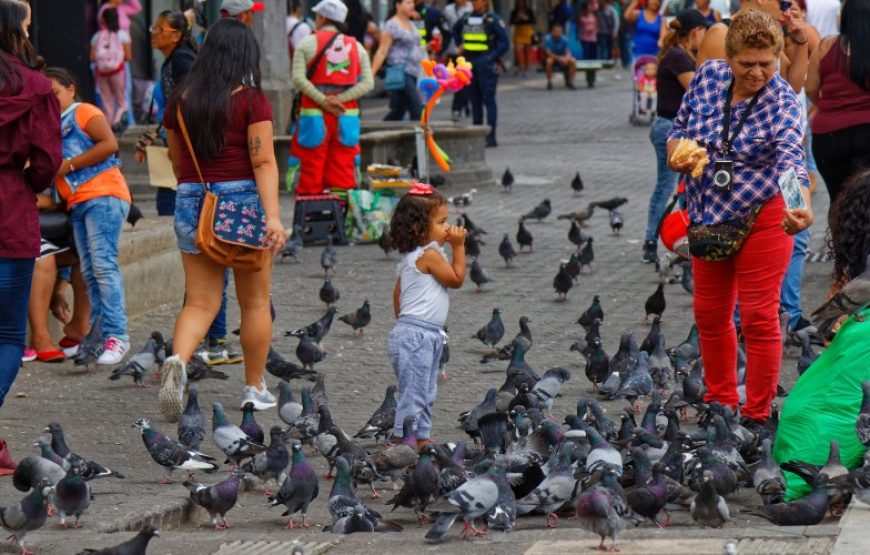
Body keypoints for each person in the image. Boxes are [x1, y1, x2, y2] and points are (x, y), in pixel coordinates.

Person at [667, 10, 813, 429]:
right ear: (729, 58)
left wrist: (798, 205)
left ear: (779, 57)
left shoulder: (783, 101)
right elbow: (678, 131)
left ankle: (757, 412)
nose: (756, 72)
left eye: (766, 63)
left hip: (764, 211)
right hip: (708, 211)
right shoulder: (709, 77)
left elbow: (790, 161)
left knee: (758, 314)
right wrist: (679, 153)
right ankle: (721, 401)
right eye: (746, 63)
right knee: (710, 313)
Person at [161, 18, 286, 421]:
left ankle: (178, 361)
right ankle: (254, 387)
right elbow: (263, 161)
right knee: (254, 302)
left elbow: (177, 161)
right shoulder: (252, 100)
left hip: (192, 200)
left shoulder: (180, 99)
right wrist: (273, 217)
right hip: (241, 201)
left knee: (199, 301)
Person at [48, 67, 133, 366]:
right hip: (80, 203)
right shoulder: (53, 124)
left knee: (102, 266)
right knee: (90, 272)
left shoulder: (83, 110)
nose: (51, 98)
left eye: (55, 92)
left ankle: (117, 336)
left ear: (71, 89)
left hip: (103, 195)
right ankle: (97, 338)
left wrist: (68, 165)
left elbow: (109, 143)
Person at [0, 0, 62, 406]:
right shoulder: (35, 86)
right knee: (7, 334)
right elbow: (48, 160)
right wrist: (29, 182)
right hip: (10, 207)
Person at [388, 182, 466, 448]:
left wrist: (404, 324)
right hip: (418, 335)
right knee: (415, 393)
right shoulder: (430, 255)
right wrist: (458, 247)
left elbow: (397, 297)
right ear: (419, 229)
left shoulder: (412, 259)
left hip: (420, 334)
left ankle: (420, 437)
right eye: (442, 222)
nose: (448, 228)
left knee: (424, 391)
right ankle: (404, 441)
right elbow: (456, 279)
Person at [642, 9, 709, 263]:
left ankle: (684, 240)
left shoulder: (679, 54)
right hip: (670, 129)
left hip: (674, 129)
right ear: (696, 32)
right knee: (666, 187)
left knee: (685, 190)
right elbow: (699, 91)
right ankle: (650, 241)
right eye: (705, 32)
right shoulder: (679, 57)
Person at [290, 0, 374, 194]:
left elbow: (297, 78)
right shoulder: (357, 47)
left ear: (322, 17)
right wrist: (340, 99)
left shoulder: (307, 43)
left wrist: (323, 100)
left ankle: (309, 217)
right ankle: (341, 215)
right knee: (343, 167)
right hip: (346, 113)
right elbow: (368, 83)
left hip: (313, 113)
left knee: (311, 164)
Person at [135, 10, 198, 217]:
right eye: (153, 28)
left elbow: (191, 102)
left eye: (160, 29)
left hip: (184, 146)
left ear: (176, 35)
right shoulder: (174, 60)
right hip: (175, 143)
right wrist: (156, 134)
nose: (153, 32)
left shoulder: (181, 60)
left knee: (171, 208)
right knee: (169, 206)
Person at [807, 0, 870, 205]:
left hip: (829, 136)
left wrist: (828, 106)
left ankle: (841, 235)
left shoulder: (826, 46)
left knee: (838, 200)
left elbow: (811, 89)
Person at [696, 0, 812, 94]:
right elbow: (717, 99)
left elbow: (793, 87)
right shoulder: (720, 35)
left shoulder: (765, 36)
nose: (787, 13)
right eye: (783, 5)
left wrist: (802, 42)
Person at [453, 0, 509, 148]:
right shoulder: (466, 18)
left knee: (488, 99)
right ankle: (477, 134)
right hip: (470, 62)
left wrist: (491, 57)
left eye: (477, 0)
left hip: (485, 63)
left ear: (484, 2)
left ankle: (491, 137)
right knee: (474, 100)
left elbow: (505, 42)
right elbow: (455, 29)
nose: (474, 3)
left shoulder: (492, 19)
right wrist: (460, 45)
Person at [371, 0, 425, 121]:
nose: (412, 5)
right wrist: (372, 73)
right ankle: (418, 137)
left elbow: (415, 45)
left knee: (400, 109)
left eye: (412, 3)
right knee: (416, 107)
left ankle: (382, 131)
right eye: (407, 2)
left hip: (414, 71)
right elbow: (382, 50)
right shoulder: (391, 25)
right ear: (398, 5)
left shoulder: (411, 23)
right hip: (400, 69)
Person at [91, 8, 132, 134]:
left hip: (102, 73)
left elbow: (92, 57)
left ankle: (107, 129)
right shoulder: (122, 35)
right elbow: (128, 56)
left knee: (106, 102)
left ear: (103, 20)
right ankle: (116, 123)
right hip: (118, 72)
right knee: (121, 102)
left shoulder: (97, 36)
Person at [444, 0, 473, 119]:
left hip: (469, 50)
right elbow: (445, 27)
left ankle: (459, 106)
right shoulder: (448, 10)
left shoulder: (472, 7)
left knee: (465, 80)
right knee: (457, 80)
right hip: (453, 49)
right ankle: (460, 106)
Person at [544, 22, 576, 89]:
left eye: (560, 31)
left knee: (573, 61)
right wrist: (559, 59)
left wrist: (566, 58)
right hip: (552, 57)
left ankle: (571, 82)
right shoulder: (548, 39)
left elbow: (568, 51)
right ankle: (549, 82)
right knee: (549, 61)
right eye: (556, 31)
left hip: (562, 57)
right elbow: (548, 52)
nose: (558, 33)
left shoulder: (565, 39)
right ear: (552, 32)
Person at [510, 0, 536, 76]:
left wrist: (526, 18)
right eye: (519, 2)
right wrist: (517, 19)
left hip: (527, 30)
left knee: (527, 51)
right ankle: (520, 66)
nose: (521, 4)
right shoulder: (514, 11)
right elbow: (511, 21)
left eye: (522, 2)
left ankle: (526, 68)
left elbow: (533, 20)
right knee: (517, 50)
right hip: (518, 30)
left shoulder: (529, 11)